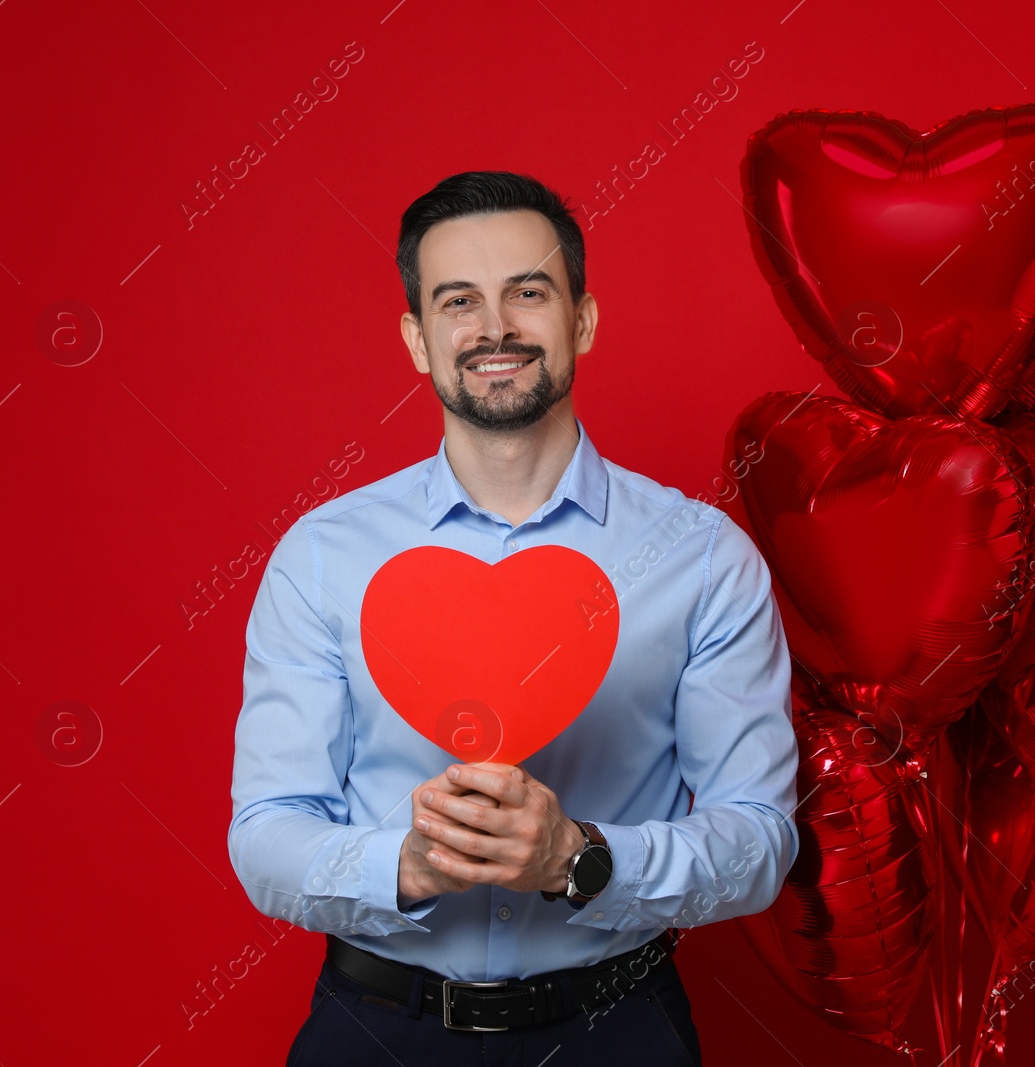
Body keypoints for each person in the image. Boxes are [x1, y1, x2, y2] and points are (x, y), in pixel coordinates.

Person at [227, 170, 801, 1066]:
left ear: (582, 321)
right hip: (375, 1032)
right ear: (419, 340)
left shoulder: (704, 557)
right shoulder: (323, 554)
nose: (494, 328)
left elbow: (761, 840)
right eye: (459, 301)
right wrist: (406, 866)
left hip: (619, 1033)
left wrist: (579, 859)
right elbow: (266, 835)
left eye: (528, 292)